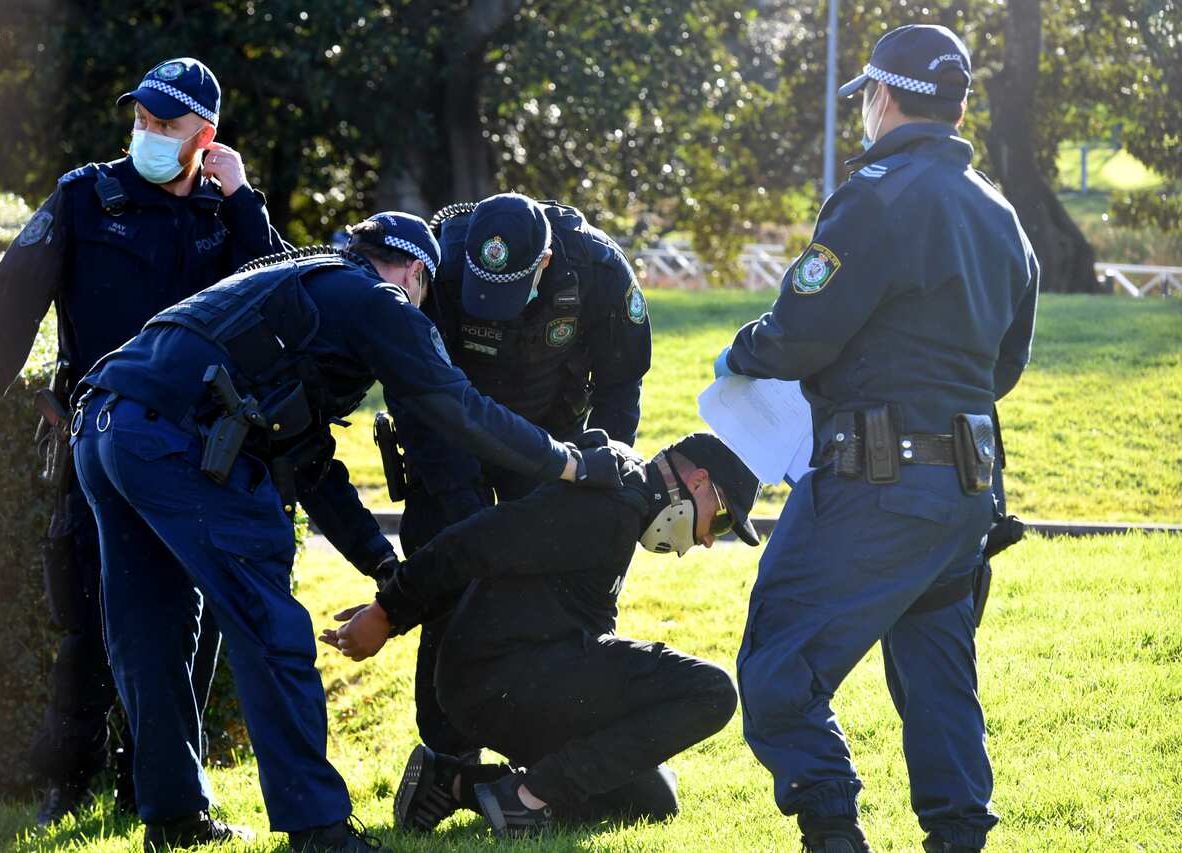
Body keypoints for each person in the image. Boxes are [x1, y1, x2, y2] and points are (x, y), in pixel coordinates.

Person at [68, 212, 626, 852]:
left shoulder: (297, 284)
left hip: (105, 426)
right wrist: (568, 460)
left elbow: (304, 458)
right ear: (418, 273)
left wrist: (381, 566)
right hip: (176, 440)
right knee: (271, 629)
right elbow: (458, 406)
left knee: (152, 633)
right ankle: (319, 832)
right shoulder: (381, 301)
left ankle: (172, 815)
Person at [713, 24, 1039, 853]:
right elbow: (1006, 366)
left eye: (866, 97)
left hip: (873, 482)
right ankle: (960, 837)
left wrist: (738, 354)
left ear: (884, 96)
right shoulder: (1002, 214)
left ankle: (833, 832)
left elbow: (798, 333)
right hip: (964, 493)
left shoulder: (877, 195)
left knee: (778, 664)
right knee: (937, 675)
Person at [0, 57, 285, 824]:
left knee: (190, 632)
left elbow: (277, 297)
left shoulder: (226, 211)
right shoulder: (84, 198)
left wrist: (241, 201)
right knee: (88, 618)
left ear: (207, 135)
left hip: (197, 454)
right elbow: (12, 299)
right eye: (142, 119)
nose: (149, 135)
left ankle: (154, 791)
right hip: (93, 442)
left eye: (167, 124)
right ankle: (67, 784)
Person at [323, 432, 759, 839]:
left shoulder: (628, 498)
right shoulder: (609, 504)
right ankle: (529, 798)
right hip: (500, 679)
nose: (707, 541)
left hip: (518, 676)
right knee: (712, 691)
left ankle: (454, 783)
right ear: (699, 481)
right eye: (721, 522)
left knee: (651, 798)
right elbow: (474, 543)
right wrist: (386, 613)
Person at [387, 191, 653, 760]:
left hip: (553, 451)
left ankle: (535, 751)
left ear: (547, 262)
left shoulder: (598, 268)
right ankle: (446, 762)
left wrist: (599, 477)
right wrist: (463, 503)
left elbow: (620, 383)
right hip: (451, 444)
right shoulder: (440, 264)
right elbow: (415, 391)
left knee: (544, 600)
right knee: (448, 583)